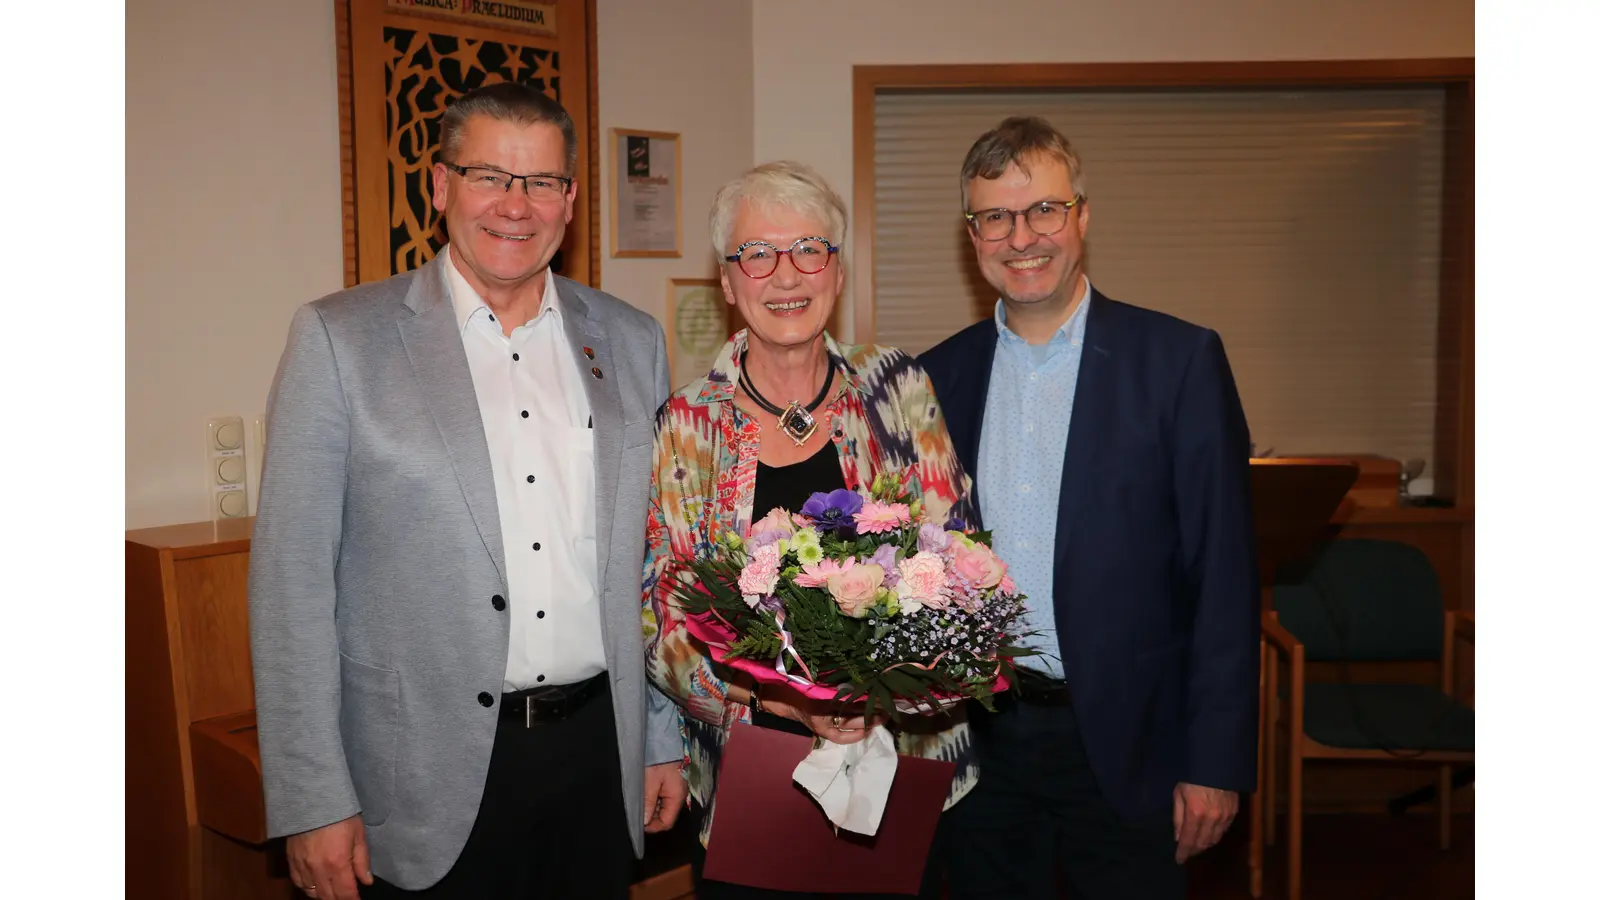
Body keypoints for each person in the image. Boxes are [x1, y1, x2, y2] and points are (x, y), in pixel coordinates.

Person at [247, 82, 687, 900]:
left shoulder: (631, 341)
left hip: (597, 756)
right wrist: (311, 799)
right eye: (490, 175)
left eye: (541, 182)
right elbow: (290, 587)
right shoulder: (339, 340)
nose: (515, 206)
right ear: (442, 185)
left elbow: (649, 569)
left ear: (570, 200)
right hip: (417, 777)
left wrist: (659, 735)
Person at [919, 116, 1259, 899]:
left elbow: (1225, 581)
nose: (1022, 237)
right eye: (995, 217)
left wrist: (1214, 763)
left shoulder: (1179, 363)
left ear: (1082, 217)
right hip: (981, 746)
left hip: (1133, 745)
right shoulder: (936, 378)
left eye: (1044, 210)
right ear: (972, 234)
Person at [641, 161, 974, 899]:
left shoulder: (897, 387)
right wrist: (776, 698)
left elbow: (961, 559)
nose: (785, 274)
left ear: (837, 269)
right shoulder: (686, 425)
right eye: (757, 253)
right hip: (751, 776)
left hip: (902, 766)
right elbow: (658, 612)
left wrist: (875, 690)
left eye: (809, 249)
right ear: (727, 282)